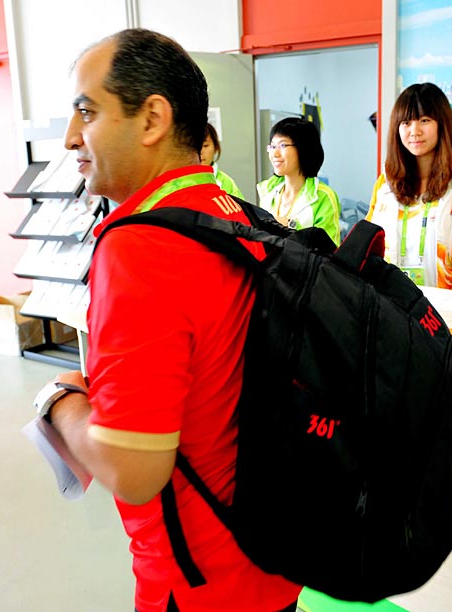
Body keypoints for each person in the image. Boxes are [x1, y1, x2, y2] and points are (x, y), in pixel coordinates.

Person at [39, 29, 301, 612]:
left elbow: (134, 471)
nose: (71, 136)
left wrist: (61, 404)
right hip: (272, 560)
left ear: (153, 118)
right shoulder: (240, 218)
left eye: (88, 111)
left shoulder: (140, 248)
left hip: (195, 583)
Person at [367, 83, 452, 292]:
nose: (415, 131)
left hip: (447, 306)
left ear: (442, 124)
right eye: (406, 122)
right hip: (388, 304)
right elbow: (369, 247)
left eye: (424, 120)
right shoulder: (385, 182)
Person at [257, 117, 341, 244]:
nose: (274, 154)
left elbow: (328, 250)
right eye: (272, 146)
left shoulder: (323, 197)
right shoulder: (268, 192)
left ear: (303, 148)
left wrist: (290, 226)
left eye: (282, 145)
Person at [200, 123, 244, 199]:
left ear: (216, 147)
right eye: (195, 146)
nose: (200, 151)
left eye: (205, 145)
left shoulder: (226, 183)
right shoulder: (179, 182)